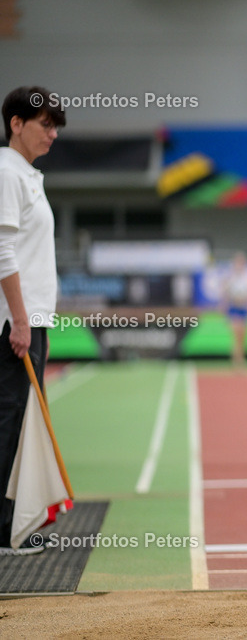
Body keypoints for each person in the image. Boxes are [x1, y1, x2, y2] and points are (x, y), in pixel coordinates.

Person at [0, 86, 66, 555]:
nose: (54, 133)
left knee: (20, 423)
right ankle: (3, 529)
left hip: (30, 320)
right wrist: (21, 322)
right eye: (45, 123)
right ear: (16, 123)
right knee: (11, 421)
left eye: (56, 125)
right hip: (14, 325)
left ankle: (10, 525)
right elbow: (2, 252)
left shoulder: (26, 174)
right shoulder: (7, 172)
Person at [222, 251, 247, 369]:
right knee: (236, 334)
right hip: (234, 307)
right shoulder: (230, 276)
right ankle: (236, 360)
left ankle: (241, 358)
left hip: (244, 308)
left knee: (243, 336)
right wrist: (224, 304)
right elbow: (225, 291)